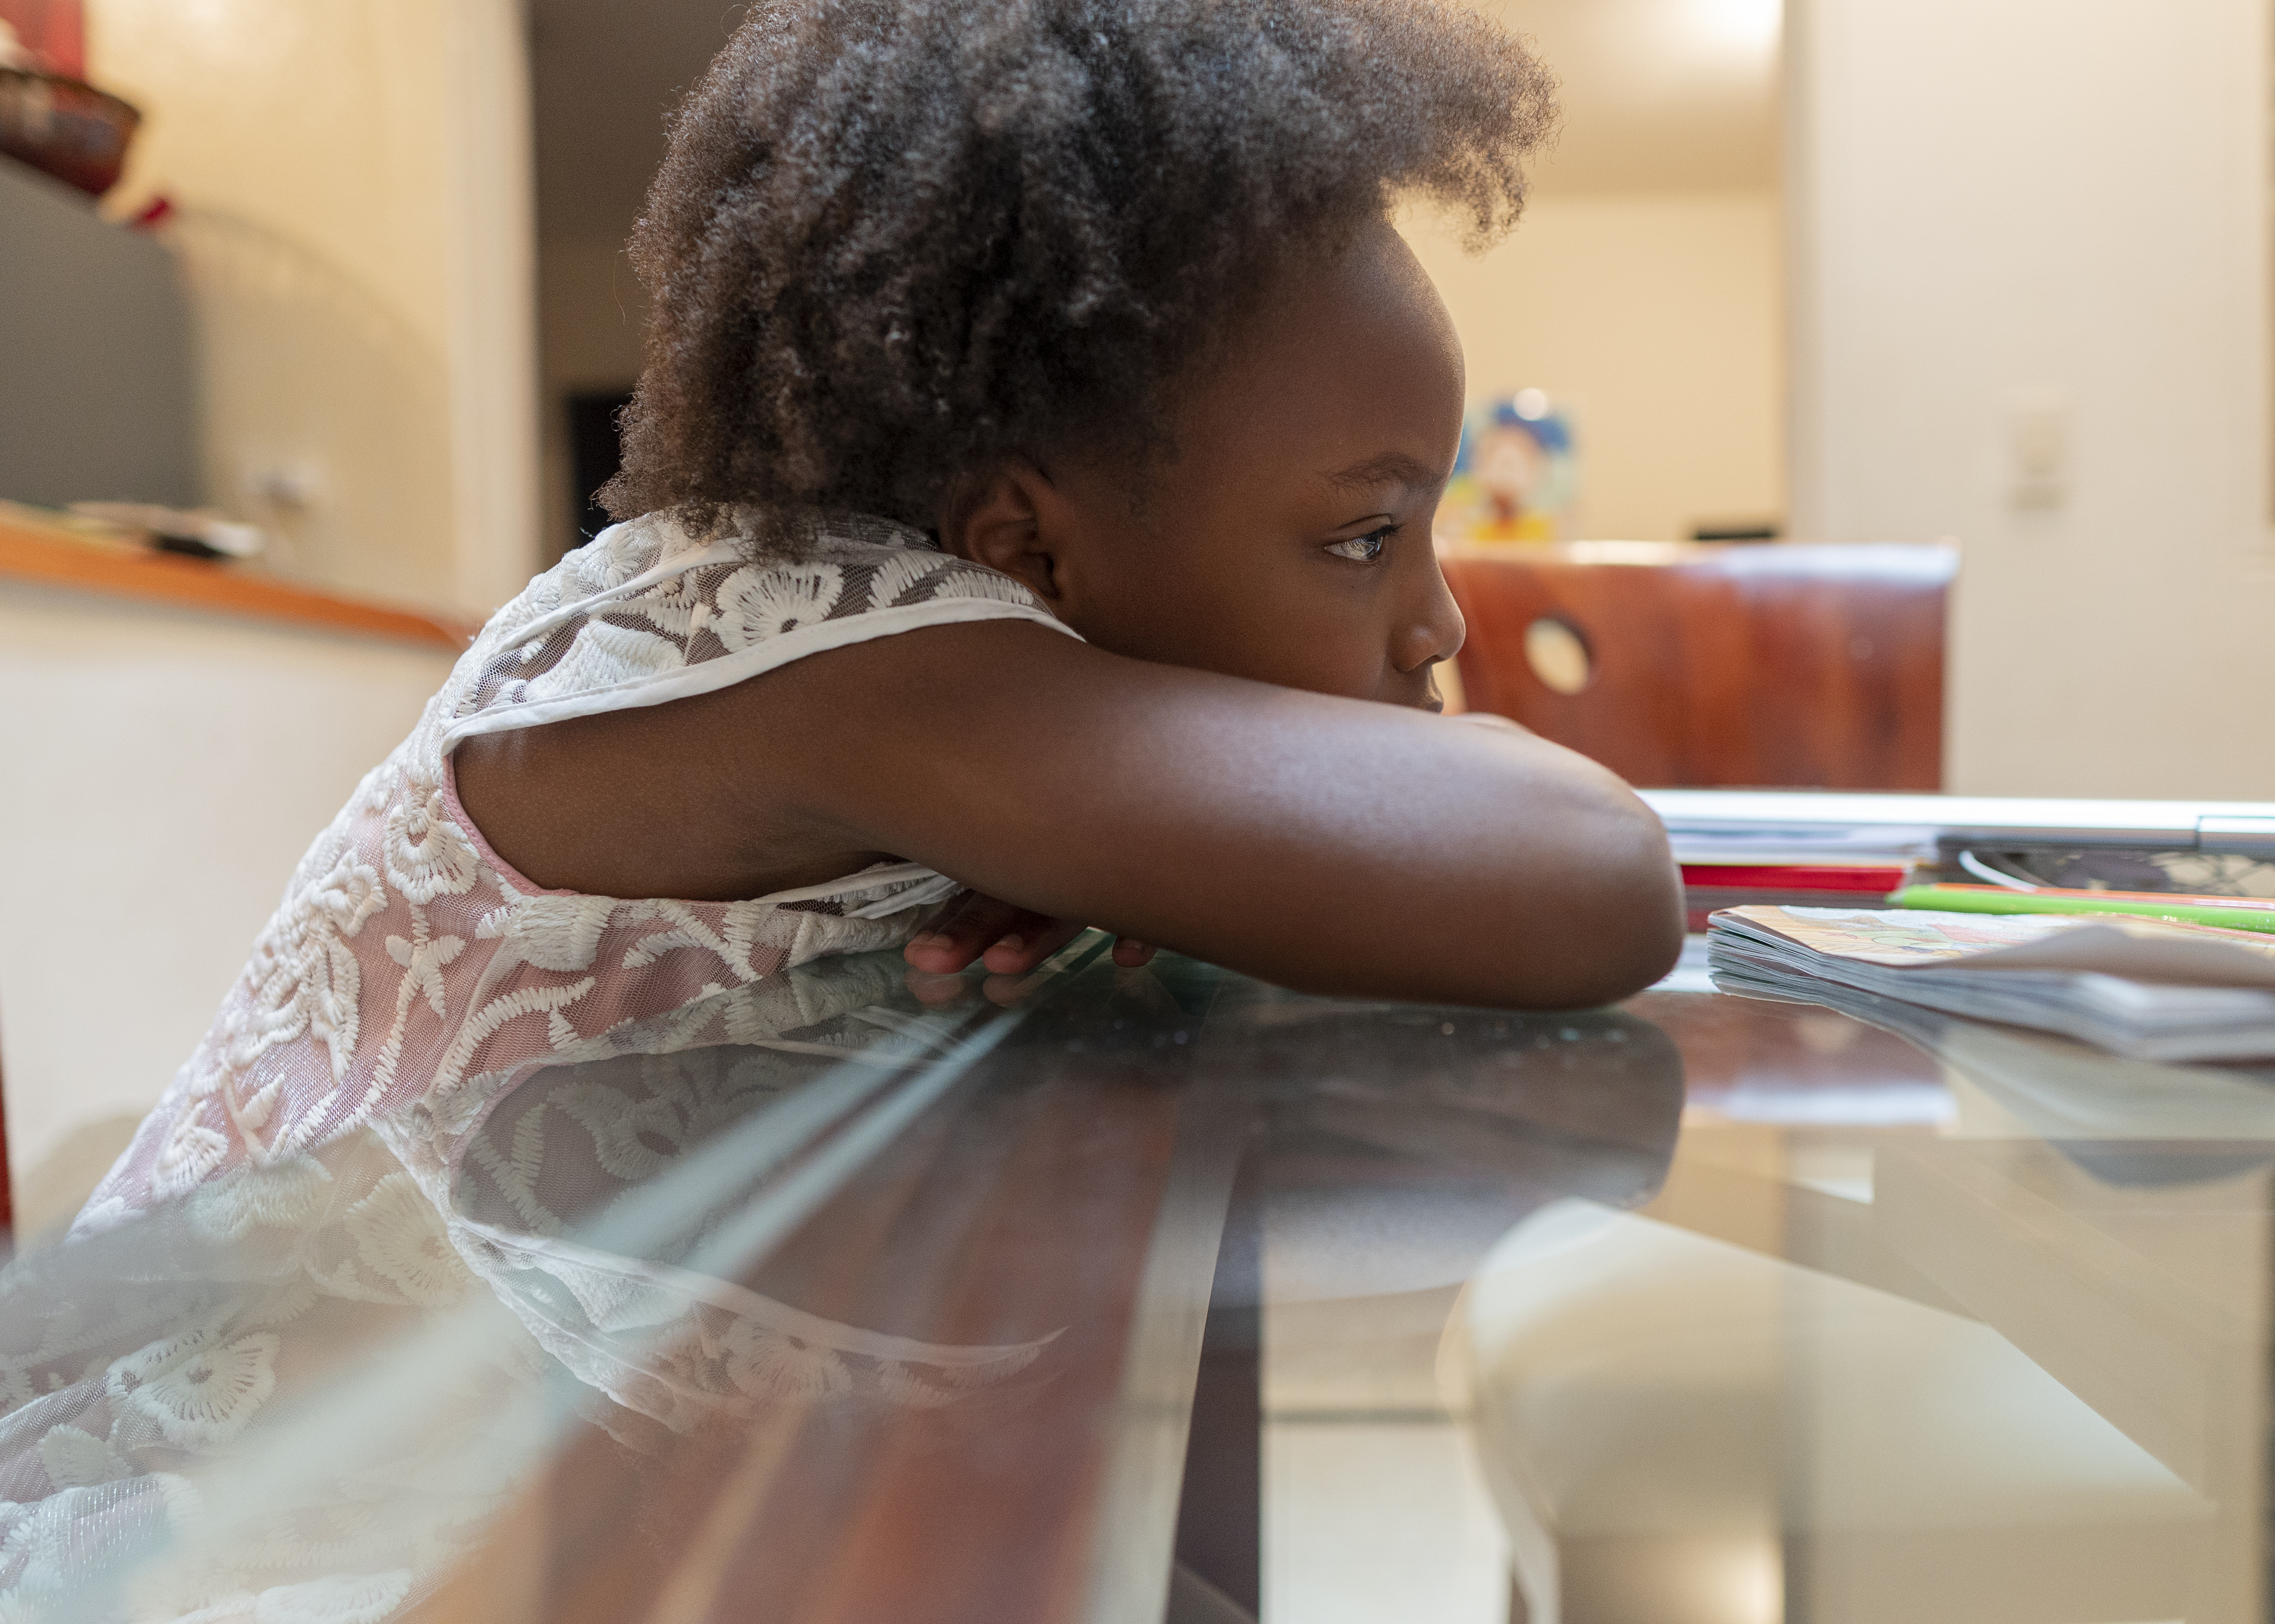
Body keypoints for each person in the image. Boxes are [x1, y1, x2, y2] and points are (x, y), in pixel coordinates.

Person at [78, 0, 1682, 1232]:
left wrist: (1116, 836)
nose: (1441, 622)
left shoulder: (898, 651)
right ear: (1021, 546)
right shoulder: (845, 665)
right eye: (1366, 536)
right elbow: (1594, 874)